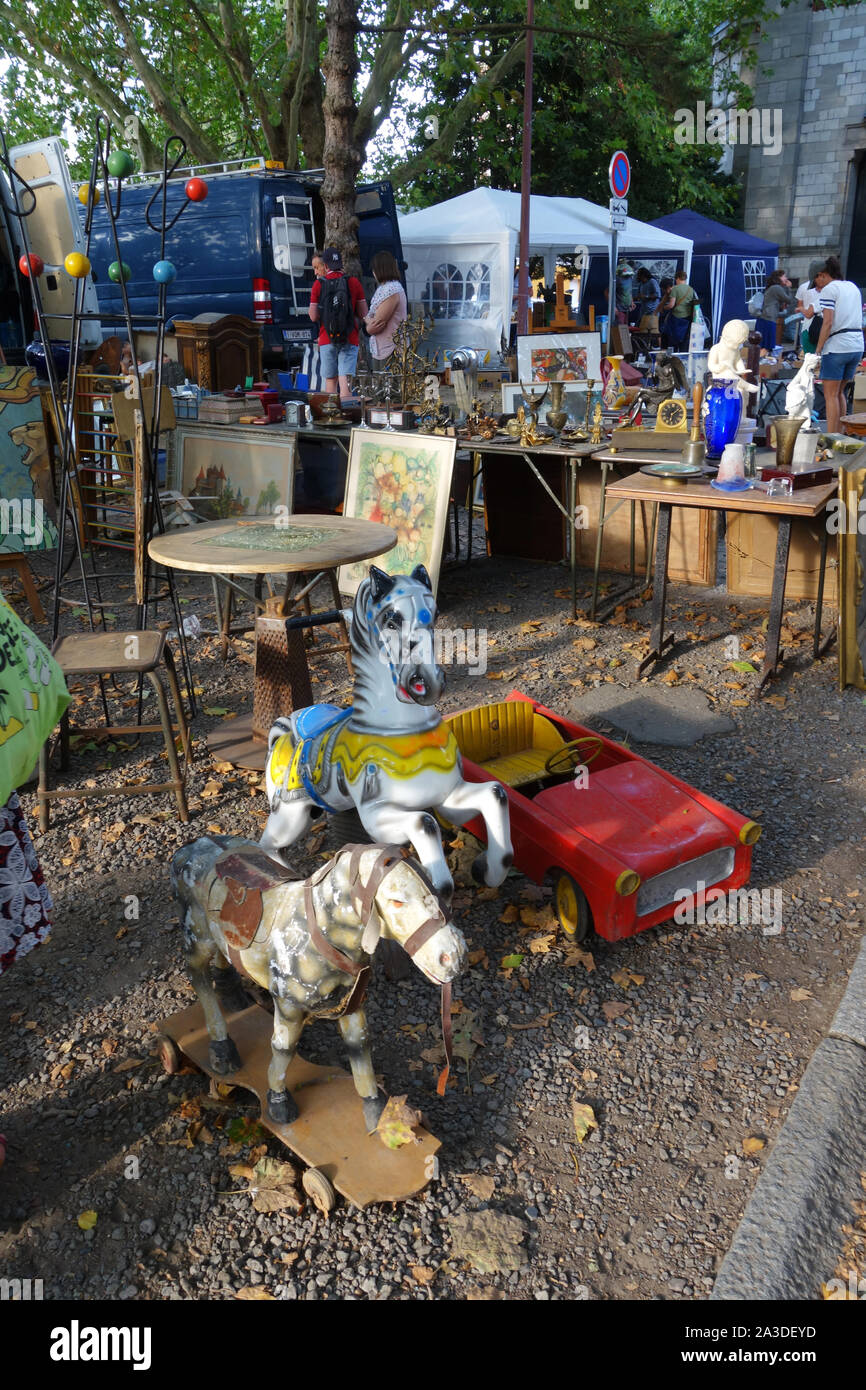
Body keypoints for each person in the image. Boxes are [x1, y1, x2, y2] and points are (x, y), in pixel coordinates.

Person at [814, 254, 865, 434]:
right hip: (857, 345)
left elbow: (827, 322)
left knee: (830, 395)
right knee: (840, 392)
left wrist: (818, 350)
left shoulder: (830, 289)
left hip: (837, 346)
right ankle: (843, 433)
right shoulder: (852, 286)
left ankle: (831, 435)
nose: (817, 286)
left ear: (822, 275)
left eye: (817, 280)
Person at [308, 246, 368, 397]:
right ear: (341, 263)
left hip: (326, 338)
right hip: (350, 337)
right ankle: (348, 415)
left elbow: (313, 316)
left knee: (331, 382)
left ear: (326, 265)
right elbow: (363, 313)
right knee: (345, 381)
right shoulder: (353, 282)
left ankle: (332, 416)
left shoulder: (318, 285)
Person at [364, 251, 408, 370]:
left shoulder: (391, 290)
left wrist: (367, 321)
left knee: (388, 386)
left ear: (380, 269)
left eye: (374, 269)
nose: (373, 272)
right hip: (383, 348)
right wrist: (369, 321)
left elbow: (375, 325)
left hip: (391, 349)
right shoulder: (385, 288)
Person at [757, 269, 794, 348]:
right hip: (768, 319)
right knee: (767, 347)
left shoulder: (773, 288)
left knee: (764, 346)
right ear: (779, 278)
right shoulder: (776, 288)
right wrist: (789, 288)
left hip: (766, 318)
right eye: (784, 276)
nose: (786, 278)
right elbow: (789, 300)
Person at [663, 270, 699, 350]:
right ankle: (683, 358)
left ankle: (673, 357)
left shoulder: (675, 289)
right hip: (688, 318)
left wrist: (664, 308)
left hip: (676, 318)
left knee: (673, 339)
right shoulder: (691, 289)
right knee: (684, 340)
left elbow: (671, 305)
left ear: (678, 278)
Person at [796, 260, 824, 351]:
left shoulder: (803, 286)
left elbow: (802, 308)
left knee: (810, 358)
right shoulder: (805, 287)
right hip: (813, 328)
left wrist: (801, 309)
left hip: (810, 326)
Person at [634, 267, 662, 334]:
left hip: (652, 311)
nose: (638, 277)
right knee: (641, 329)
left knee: (653, 331)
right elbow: (639, 296)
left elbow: (658, 295)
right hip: (643, 311)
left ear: (643, 275)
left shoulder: (652, 281)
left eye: (639, 275)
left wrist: (646, 296)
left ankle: (658, 344)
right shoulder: (641, 284)